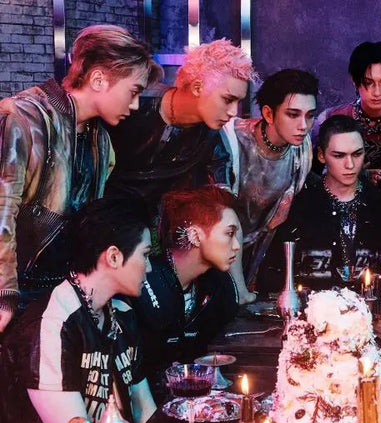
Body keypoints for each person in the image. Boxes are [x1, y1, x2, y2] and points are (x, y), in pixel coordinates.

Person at [0, 24, 160, 333]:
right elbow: (2, 209)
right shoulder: (25, 118)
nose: (135, 105)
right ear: (98, 79)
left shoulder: (101, 142)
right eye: (134, 91)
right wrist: (4, 294)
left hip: (59, 295)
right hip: (15, 294)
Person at [0, 197, 156, 423]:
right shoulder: (53, 322)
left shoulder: (122, 315)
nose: (148, 268)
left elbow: (143, 407)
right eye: (145, 255)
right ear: (113, 256)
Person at [105, 39, 255, 214]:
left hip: (161, 223)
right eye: (228, 100)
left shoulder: (213, 138)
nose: (233, 112)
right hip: (106, 214)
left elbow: (221, 188)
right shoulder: (135, 103)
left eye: (238, 102)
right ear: (197, 87)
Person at [257, 115, 381, 292]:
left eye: (357, 154)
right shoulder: (300, 206)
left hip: (369, 305)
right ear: (321, 155)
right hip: (310, 305)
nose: (350, 164)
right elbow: (273, 274)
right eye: (339, 155)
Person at [133, 186, 241, 403]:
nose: (237, 246)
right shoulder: (142, 282)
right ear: (195, 235)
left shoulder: (221, 288)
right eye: (229, 234)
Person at [221, 69, 318, 287]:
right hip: (217, 244)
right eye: (293, 114)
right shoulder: (232, 139)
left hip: (258, 251)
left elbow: (274, 222)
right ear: (268, 114)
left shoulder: (302, 150)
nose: (303, 125)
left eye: (310, 115)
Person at [312, 41, 381, 187]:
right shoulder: (331, 120)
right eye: (368, 82)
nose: (377, 92)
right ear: (354, 81)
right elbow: (314, 178)